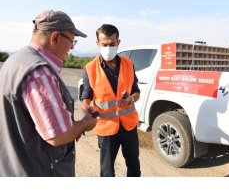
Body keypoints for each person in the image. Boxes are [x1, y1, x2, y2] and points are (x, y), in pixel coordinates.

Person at [0, 10, 97, 177]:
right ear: (55, 38)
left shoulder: (15, 60)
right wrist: (85, 123)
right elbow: (58, 135)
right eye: (71, 41)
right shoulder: (40, 73)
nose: (71, 48)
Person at [80, 24, 141, 177]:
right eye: (104, 44)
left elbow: (136, 92)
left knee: (134, 167)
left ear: (118, 42)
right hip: (106, 129)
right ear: (97, 44)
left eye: (112, 44)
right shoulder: (90, 68)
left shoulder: (129, 64)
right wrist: (89, 110)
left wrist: (131, 99)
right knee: (107, 171)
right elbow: (85, 99)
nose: (108, 47)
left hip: (129, 126)